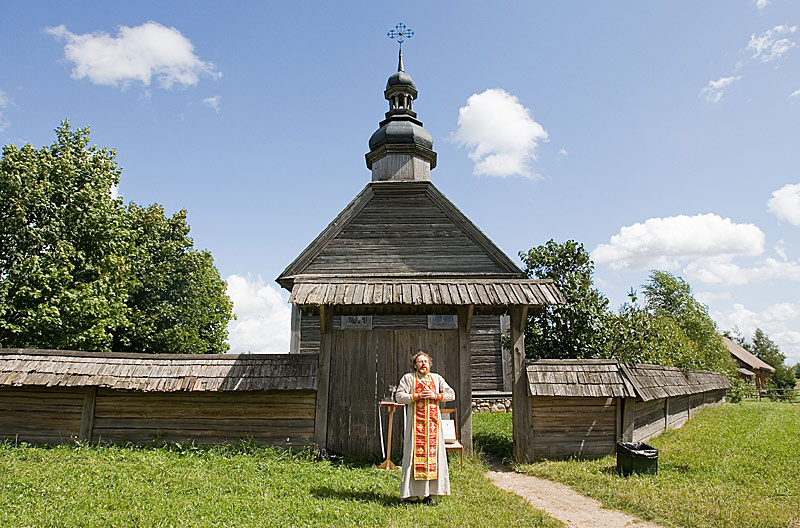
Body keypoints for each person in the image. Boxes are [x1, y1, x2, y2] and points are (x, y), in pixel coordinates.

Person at [395, 351, 455, 505]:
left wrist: (436, 395)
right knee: (413, 459)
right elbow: (399, 396)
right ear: (415, 365)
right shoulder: (408, 379)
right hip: (416, 428)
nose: (423, 364)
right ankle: (412, 495)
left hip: (434, 428)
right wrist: (416, 396)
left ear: (430, 364)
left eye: (426, 361)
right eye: (420, 362)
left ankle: (433, 495)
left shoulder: (437, 378)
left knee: (435, 458)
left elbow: (451, 394)